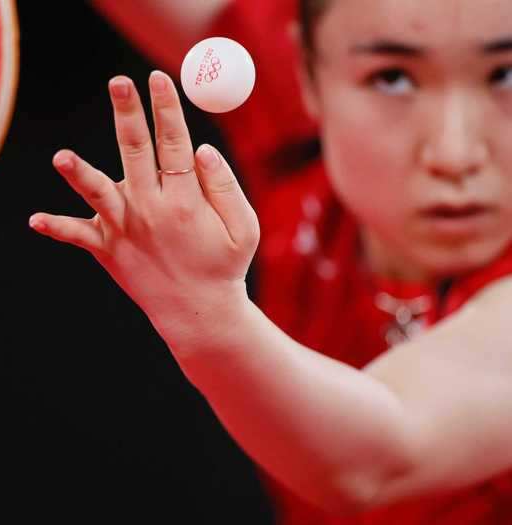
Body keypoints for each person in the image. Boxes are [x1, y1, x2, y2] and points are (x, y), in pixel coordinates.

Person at [29, 0, 512, 523]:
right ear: (305, 77)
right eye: (392, 77)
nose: (455, 153)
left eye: (507, 74)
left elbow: (378, 461)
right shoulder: (294, 123)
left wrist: (209, 314)